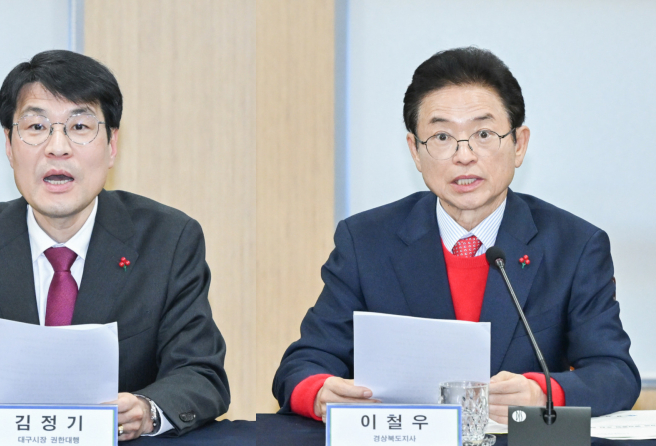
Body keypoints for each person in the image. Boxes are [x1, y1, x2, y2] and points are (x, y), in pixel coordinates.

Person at [272, 47, 640, 424]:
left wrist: (544, 393)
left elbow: (615, 374)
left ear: (519, 144)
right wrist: (319, 393)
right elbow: (304, 364)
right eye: (442, 136)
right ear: (416, 152)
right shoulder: (366, 242)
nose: (464, 156)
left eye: (483, 133)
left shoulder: (574, 246)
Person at [0, 50, 229, 441]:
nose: (57, 147)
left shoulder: (168, 241)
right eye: (36, 127)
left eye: (80, 126)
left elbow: (200, 374)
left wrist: (147, 410)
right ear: (9, 145)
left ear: (112, 145)